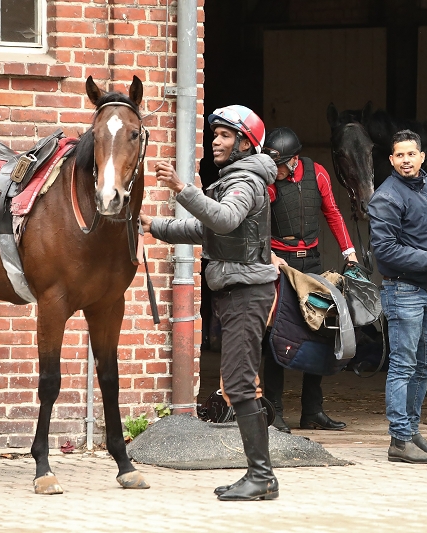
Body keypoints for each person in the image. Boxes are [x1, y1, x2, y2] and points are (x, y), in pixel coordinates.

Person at [139, 105, 280, 501]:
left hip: (247, 294)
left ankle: (262, 477)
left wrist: (182, 188)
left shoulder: (245, 182)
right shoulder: (237, 178)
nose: (215, 141)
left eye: (224, 135)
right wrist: (155, 226)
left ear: (245, 143)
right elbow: (209, 229)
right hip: (238, 293)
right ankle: (260, 476)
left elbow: (224, 219)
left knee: (238, 383)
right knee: (238, 382)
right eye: (214, 134)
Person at [367, 129, 427, 464]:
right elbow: (385, 250)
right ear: (391, 160)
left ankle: (410, 430)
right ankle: (399, 440)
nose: (406, 160)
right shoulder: (386, 197)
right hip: (403, 290)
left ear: (422, 157)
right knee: (403, 366)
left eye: (411, 154)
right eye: (399, 155)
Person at [260, 126, 357, 433]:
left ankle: (312, 411)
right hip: (280, 263)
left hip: (311, 262)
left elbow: (333, 212)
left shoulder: (318, 174)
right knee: (277, 335)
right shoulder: (269, 182)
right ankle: (273, 411)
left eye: (278, 165)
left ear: (293, 160)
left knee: (320, 331)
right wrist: (267, 254)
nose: (274, 170)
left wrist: (350, 253)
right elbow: (257, 219)